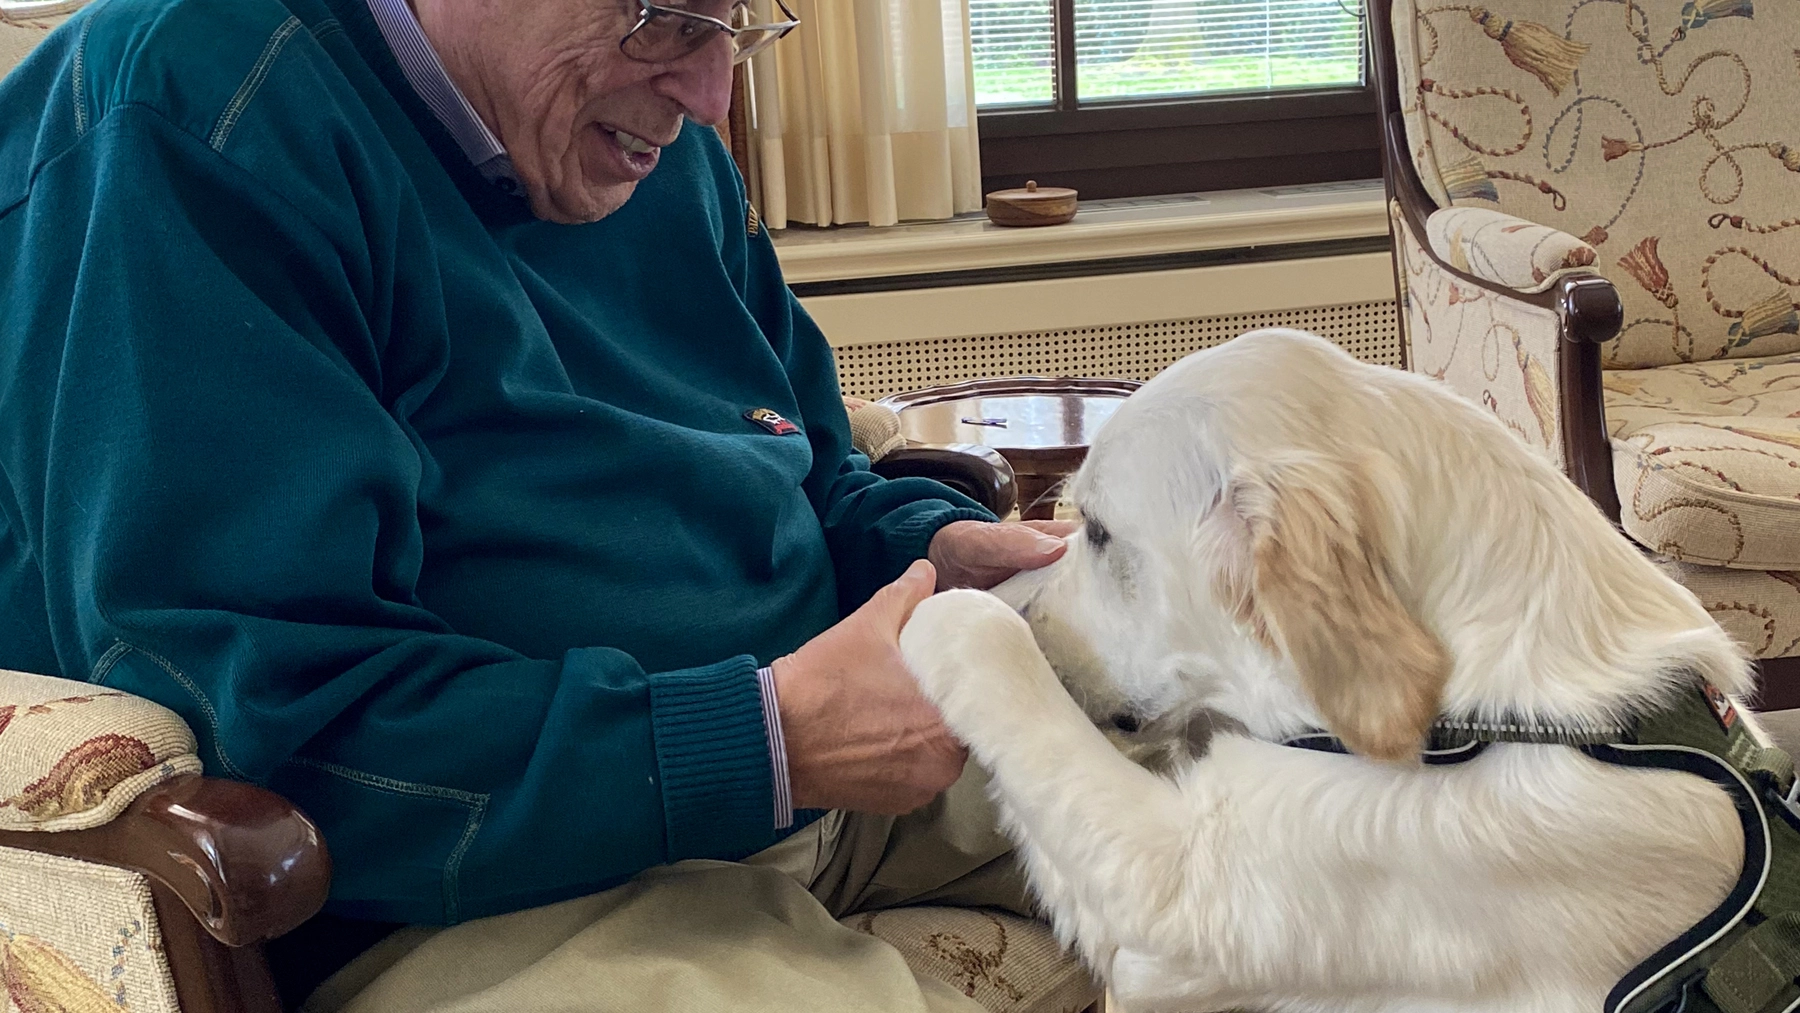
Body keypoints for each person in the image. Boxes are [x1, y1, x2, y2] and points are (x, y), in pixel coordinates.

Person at [0, 0, 1077, 1008]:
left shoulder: (638, 142)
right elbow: (271, 715)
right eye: (665, 19)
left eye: (738, 21)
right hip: (474, 884)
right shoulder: (202, 124)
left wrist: (926, 546)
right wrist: (758, 739)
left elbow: (799, 452)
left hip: (807, 771)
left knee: (1232, 781)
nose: (710, 95)